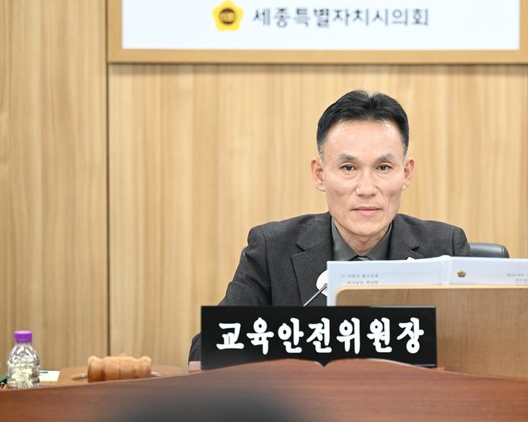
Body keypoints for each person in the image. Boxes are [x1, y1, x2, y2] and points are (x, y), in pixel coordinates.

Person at [189, 90, 470, 362]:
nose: (366, 188)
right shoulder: (271, 250)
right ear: (320, 174)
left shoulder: (445, 249)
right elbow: (207, 350)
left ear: (405, 173)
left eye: (383, 167)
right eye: (349, 168)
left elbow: (477, 353)